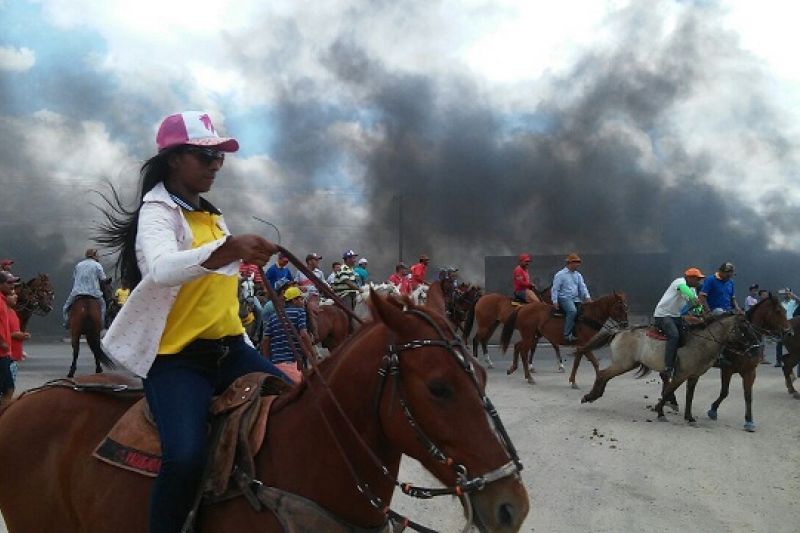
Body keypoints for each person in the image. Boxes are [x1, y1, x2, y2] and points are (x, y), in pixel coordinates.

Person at [98, 110, 289, 533]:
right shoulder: (158, 212)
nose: (216, 165)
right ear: (174, 160)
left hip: (232, 350)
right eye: (206, 157)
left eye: (219, 157)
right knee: (185, 457)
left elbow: (215, 297)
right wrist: (228, 249)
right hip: (177, 360)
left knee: (301, 410)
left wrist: (247, 344)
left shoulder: (210, 215)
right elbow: (164, 269)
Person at [653, 268, 706, 377]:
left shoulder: (692, 290)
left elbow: (697, 307)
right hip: (663, 315)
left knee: (688, 336)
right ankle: (668, 367)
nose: (698, 282)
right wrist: (694, 301)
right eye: (697, 279)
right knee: (674, 335)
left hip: (676, 316)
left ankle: (681, 362)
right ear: (689, 278)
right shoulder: (679, 282)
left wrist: (700, 312)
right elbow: (686, 292)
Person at [262, 286, 312, 384]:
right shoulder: (300, 312)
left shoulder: (274, 316)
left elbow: (265, 340)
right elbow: (304, 334)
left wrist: (267, 361)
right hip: (292, 364)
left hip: (275, 366)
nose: (303, 301)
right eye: (301, 298)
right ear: (294, 301)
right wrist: (312, 353)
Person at [61, 249, 109, 327]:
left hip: (77, 292)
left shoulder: (78, 265)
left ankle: (66, 322)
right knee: (103, 306)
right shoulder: (97, 265)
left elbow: (74, 277)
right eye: (97, 255)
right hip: (94, 293)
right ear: (94, 256)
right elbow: (103, 278)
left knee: (65, 308)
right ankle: (101, 323)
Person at [551, 253, 592, 343]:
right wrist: (555, 301)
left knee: (584, 312)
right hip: (564, 298)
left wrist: (587, 297)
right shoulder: (560, 275)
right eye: (576, 262)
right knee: (572, 311)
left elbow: (583, 287)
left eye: (578, 262)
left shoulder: (578, 275)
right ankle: (566, 335)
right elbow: (555, 289)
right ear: (569, 263)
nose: (578, 264)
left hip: (576, 299)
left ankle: (579, 332)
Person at [0, 271, 19, 406]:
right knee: (8, 389)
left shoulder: (3, 301)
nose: (13, 286)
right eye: (9, 283)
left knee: (7, 388)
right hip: (1, 353)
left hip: (5, 353)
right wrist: (2, 342)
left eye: (13, 282)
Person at [296, 253, 325, 341]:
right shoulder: (300, 272)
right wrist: (300, 287)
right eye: (316, 260)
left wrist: (320, 287)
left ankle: (315, 334)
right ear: (309, 261)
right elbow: (295, 284)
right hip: (302, 296)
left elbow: (324, 285)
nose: (318, 261)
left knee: (310, 307)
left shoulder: (319, 273)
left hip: (314, 295)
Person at [5, 290, 29, 394]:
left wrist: (21, 335)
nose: (15, 296)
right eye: (11, 294)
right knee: (7, 391)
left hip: (13, 359)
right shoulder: (3, 312)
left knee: (10, 390)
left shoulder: (13, 312)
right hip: (6, 358)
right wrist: (16, 335)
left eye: (15, 294)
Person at [774, 288, 800, 367]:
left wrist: (793, 296)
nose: (786, 294)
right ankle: (778, 361)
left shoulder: (794, 302)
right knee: (779, 342)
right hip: (783, 324)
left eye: (788, 293)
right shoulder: (781, 304)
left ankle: (795, 359)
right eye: (785, 293)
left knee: (795, 343)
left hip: (794, 325)